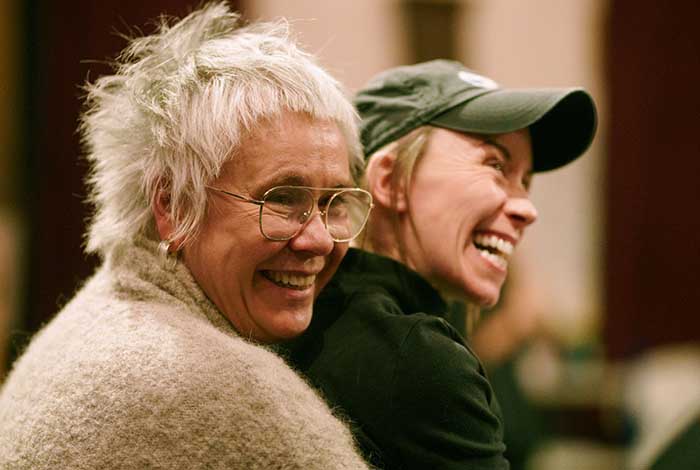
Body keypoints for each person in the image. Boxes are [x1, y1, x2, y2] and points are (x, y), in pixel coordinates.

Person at [0, 3, 374, 469]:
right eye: (282, 199)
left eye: (333, 202)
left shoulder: (93, 318)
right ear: (174, 205)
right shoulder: (227, 393)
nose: (318, 239)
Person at [285, 59, 597, 469]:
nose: (527, 208)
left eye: (525, 181)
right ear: (389, 180)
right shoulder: (417, 357)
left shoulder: (321, 313)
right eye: (496, 165)